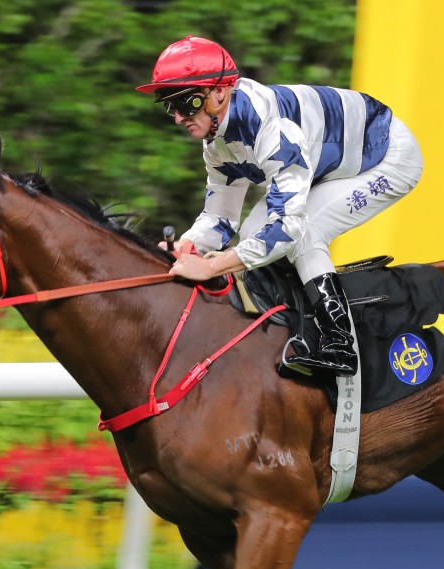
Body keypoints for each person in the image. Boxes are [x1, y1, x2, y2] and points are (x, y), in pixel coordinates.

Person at [138, 35, 424, 376]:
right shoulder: (216, 143)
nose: (178, 118)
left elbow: (288, 227)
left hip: (387, 156)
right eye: (170, 106)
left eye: (186, 103)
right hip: (330, 161)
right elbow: (219, 218)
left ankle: (341, 344)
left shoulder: (270, 127)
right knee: (252, 233)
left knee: (303, 233)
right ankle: (295, 324)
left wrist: (212, 267)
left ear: (219, 93)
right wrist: (187, 247)